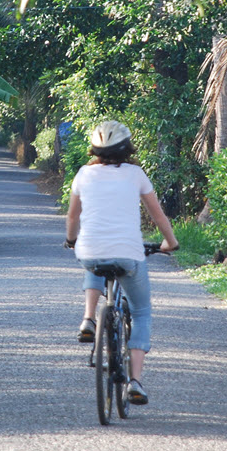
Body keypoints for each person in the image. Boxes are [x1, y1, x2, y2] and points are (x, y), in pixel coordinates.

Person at [65, 120, 178, 406]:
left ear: (95, 149)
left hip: (89, 251)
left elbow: (72, 217)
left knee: (94, 263)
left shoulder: (83, 174)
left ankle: (88, 318)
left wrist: (71, 240)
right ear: (127, 147)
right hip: (128, 253)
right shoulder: (135, 174)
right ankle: (135, 381)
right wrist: (170, 243)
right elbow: (158, 216)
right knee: (141, 313)